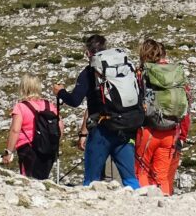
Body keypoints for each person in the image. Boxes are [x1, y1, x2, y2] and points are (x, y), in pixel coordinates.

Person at [54, 33, 141, 188]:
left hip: (102, 131)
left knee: (91, 180)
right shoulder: (122, 69)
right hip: (125, 128)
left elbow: (74, 101)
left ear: (88, 53)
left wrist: (60, 92)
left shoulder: (89, 72)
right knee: (130, 179)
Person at [135, 38, 191, 195]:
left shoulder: (144, 74)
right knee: (161, 176)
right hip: (172, 131)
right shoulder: (177, 75)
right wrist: (182, 135)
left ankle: (144, 208)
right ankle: (163, 205)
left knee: (141, 172)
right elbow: (187, 107)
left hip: (148, 130)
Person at [1, 75, 63, 179]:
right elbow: (60, 126)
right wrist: (53, 144)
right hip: (48, 150)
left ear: (23, 88)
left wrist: (9, 151)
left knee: (29, 180)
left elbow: (15, 130)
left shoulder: (21, 107)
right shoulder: (49, 105)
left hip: (28, 149)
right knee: (42, 179)